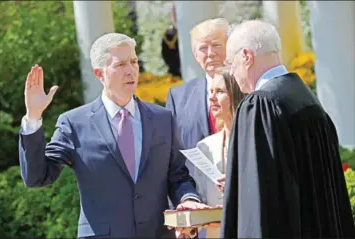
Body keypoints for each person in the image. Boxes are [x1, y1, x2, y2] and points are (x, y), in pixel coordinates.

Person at [18, 33, 208, 238]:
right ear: (99, 74)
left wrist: (188, 199)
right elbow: (37, 177)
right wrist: (33, 117)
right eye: (120, 65)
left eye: (134, 62)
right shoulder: (74, 123)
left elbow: (178, 175)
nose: (130, 70)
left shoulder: (162, 118)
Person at [221, 19, 355, 238]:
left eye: (230, 63)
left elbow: (258, 202)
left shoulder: (260, 105)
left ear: (246, 56)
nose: (232, 74)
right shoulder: (308, 100)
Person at [178, 67, 245, 238]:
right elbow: (200, 199)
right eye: (211, 91)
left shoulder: (254, 142)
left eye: (220, 91)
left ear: (236, 95)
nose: (211, 98)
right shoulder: (205, 147)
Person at [166, 18, 230, 150]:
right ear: (195, 55)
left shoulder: (247, 89)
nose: (210, 53)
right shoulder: (178, 98)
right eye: (203, 48)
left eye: (216, 45)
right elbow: (171, 148)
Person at [161, 4, 181, 77]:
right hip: (177, 73)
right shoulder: (169, 36)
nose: (176, 17)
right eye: (174, 14)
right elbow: (167, 55)